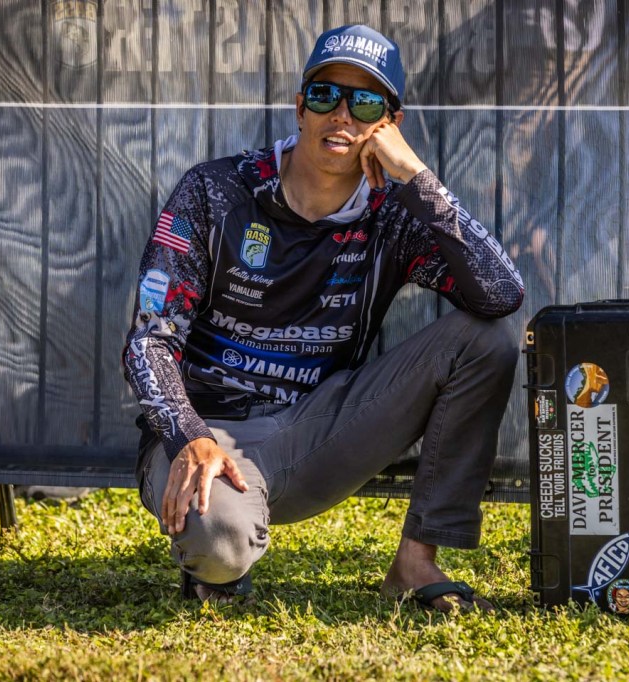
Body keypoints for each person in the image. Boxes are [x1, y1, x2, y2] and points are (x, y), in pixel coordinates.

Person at [122, 24, 525, 612]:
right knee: (220, 541)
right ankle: (217, 560)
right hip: (210, 432)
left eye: (365, 103)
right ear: (300, 108)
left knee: (486, 341)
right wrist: (190, 437)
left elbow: (501, 294)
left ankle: (415, 565)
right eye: (324, 95)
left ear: (390, 124)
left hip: (321, 430)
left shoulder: (394, 214)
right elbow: (148, 340)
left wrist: (419, 179)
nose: (341, 115)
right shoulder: (214, 192)